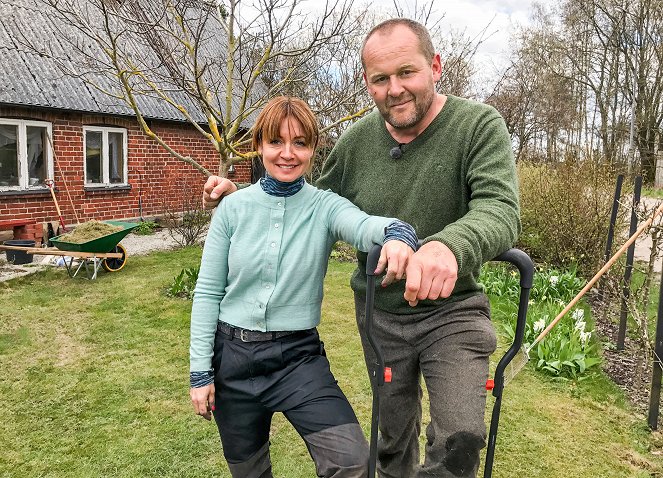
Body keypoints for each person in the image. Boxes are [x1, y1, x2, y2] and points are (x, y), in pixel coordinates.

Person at [202, 19, 520, 478]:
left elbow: (500, 209)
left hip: (452, 313)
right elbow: (309, 205)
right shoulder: (354, 144)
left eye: (406, 72)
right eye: (380, 79)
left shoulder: (477, 125)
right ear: (366, 83)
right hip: (381, 317)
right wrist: (245, 200)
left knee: (459, 437)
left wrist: (448, 247)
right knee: (391, 442)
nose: (395, 89)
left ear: (435, 66)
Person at [190, 96, 419, 478]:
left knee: (350, 462)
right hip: (231, 358)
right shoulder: (233, 208)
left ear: (313, 150)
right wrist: (201, 372)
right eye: (276, 142)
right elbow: (208, 291)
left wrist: (396, 234)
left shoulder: (325, 207)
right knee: (249, 472)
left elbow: (363, 225)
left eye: (300, 143)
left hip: (297, 358)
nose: (287, 153)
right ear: (259, 146)